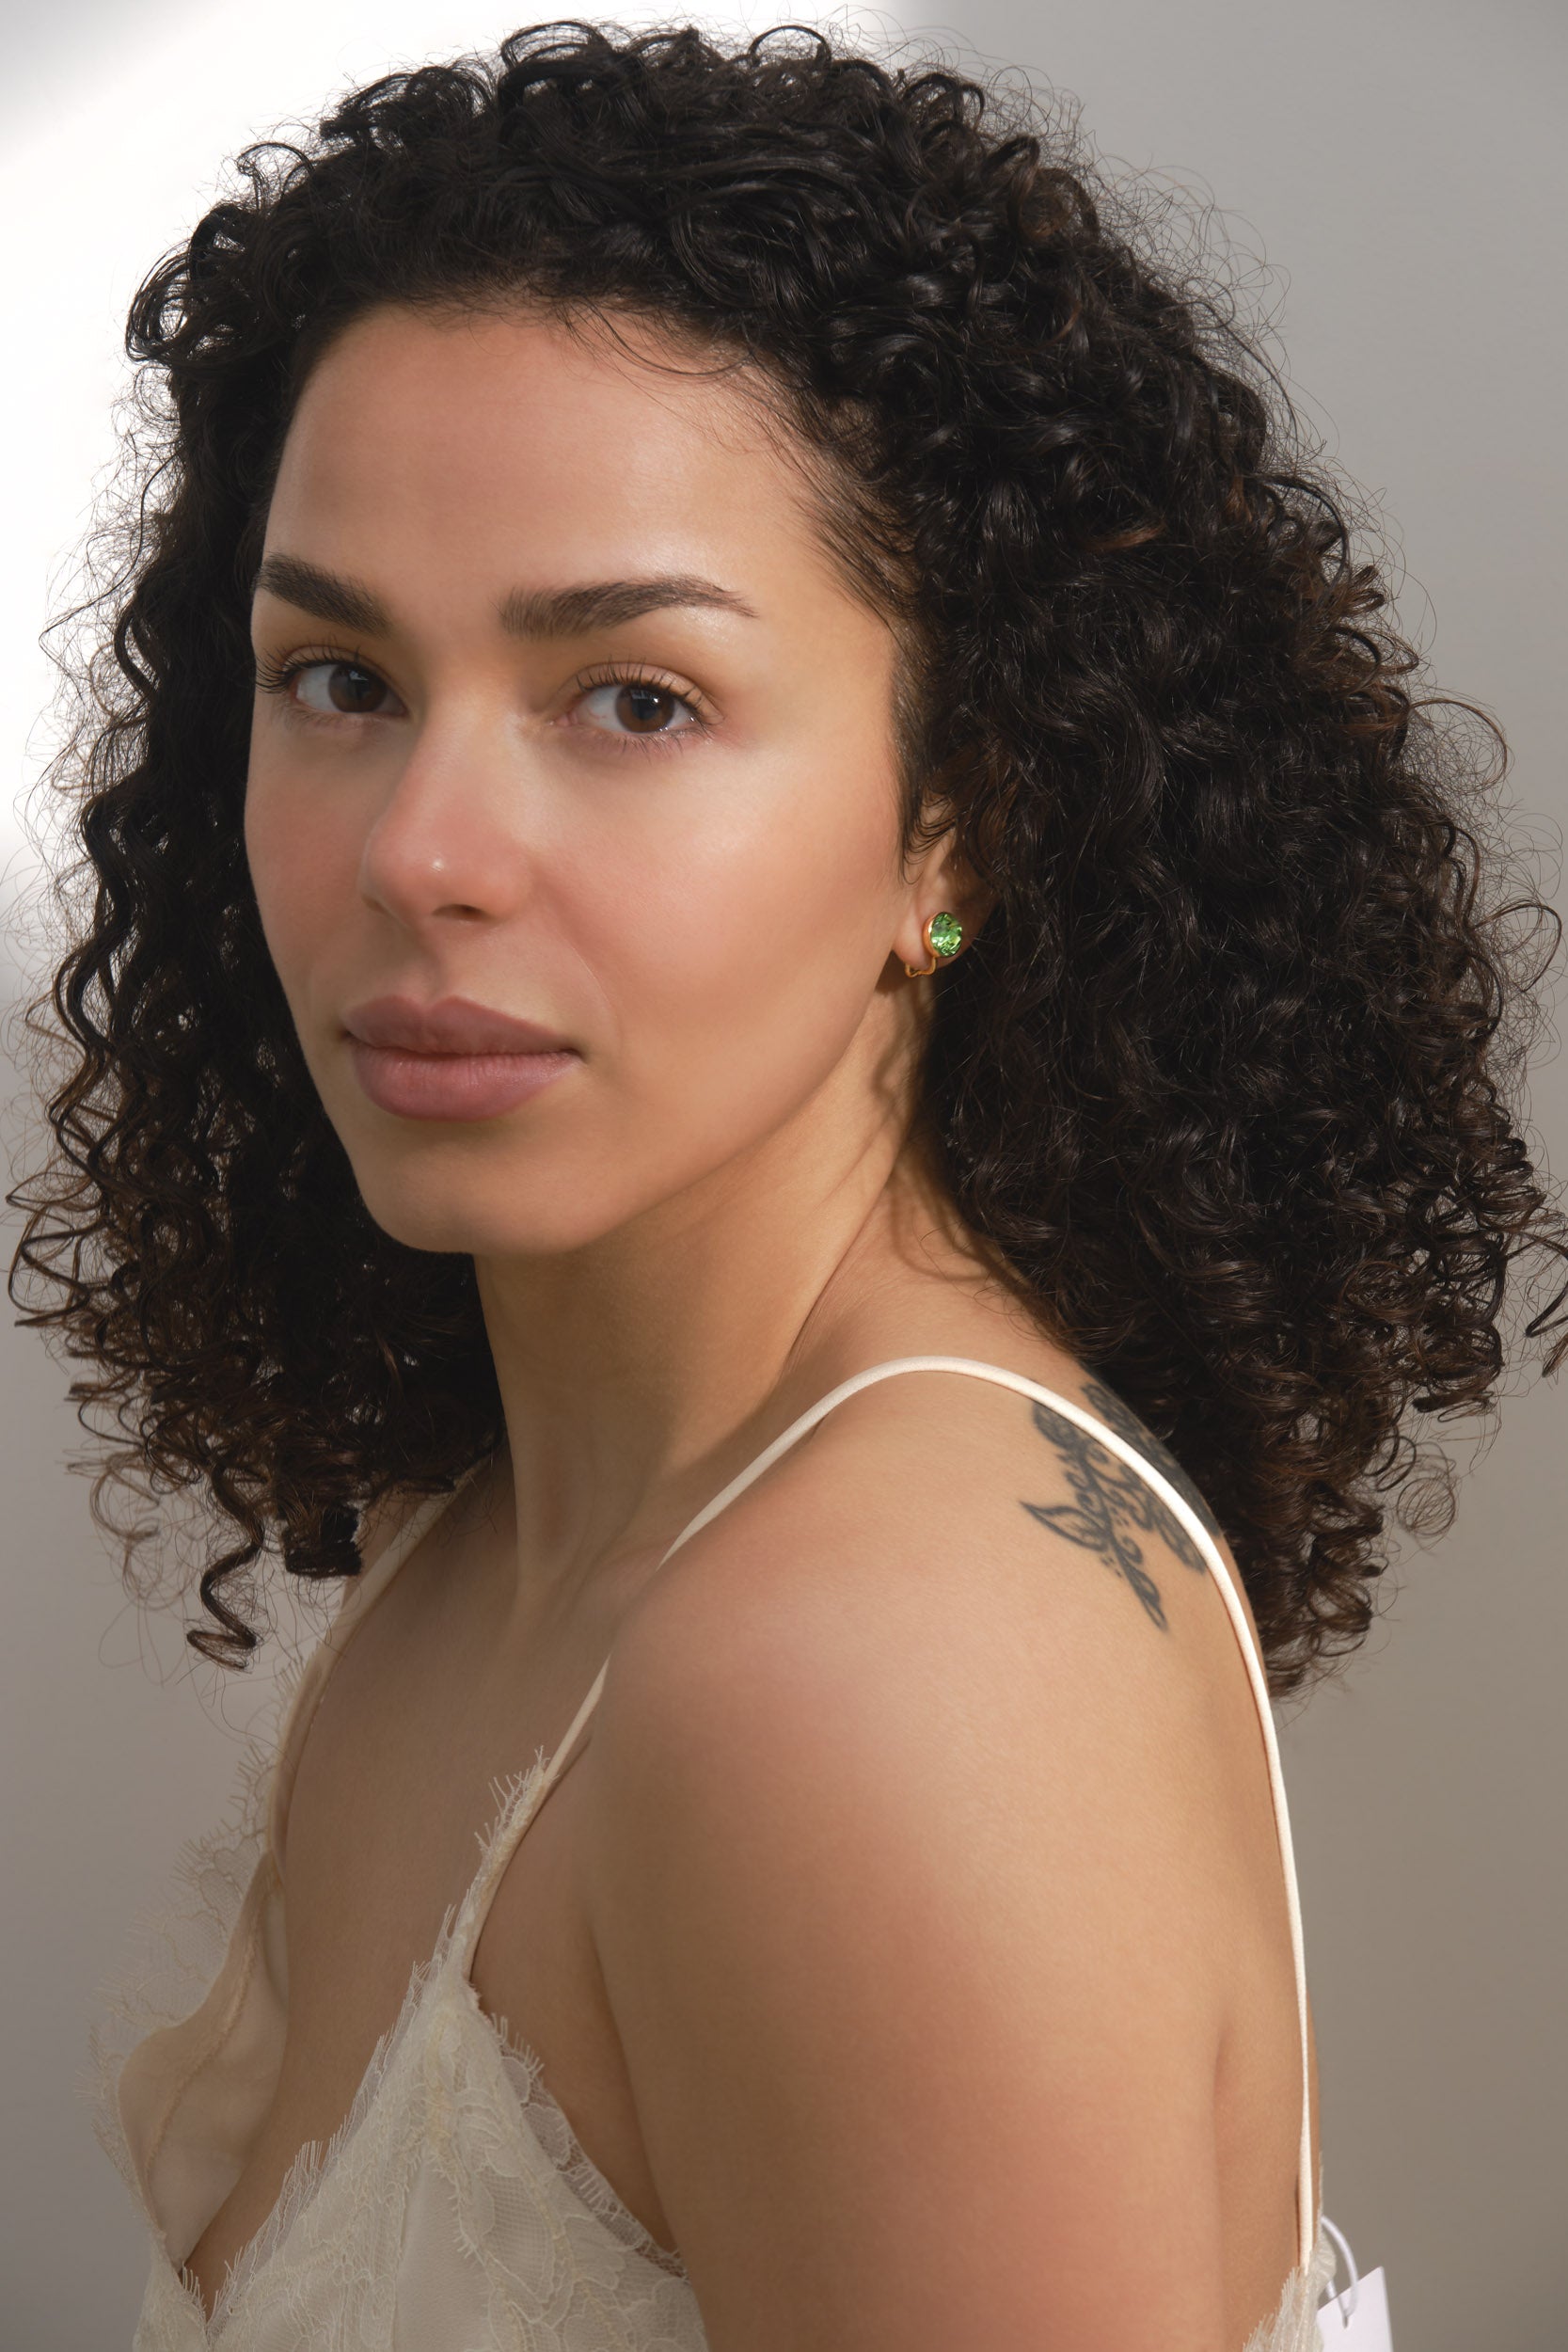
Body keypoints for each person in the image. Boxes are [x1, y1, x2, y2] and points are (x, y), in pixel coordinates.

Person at [9, 20, 1563, 2349]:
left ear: (959, 819)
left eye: (633, 698)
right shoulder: (484, 1531)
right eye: (335, 674)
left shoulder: (871, 1675)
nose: (419, 850)